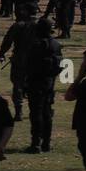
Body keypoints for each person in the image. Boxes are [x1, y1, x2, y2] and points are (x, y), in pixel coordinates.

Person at [23, 17, 63, 154]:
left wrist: (25, 83)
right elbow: (59, 66)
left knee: (36, 113)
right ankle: (46, 143)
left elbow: (29, 66)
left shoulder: (35, 45)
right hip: (49, 83)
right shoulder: (56, 45)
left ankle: (36, 143)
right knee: (47, 112)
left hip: (36, 82)